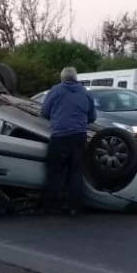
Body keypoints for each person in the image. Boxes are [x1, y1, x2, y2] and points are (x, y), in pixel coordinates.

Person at [41, 67, 96, 216]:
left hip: (59, 136)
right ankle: (74, 206)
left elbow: (44, 112)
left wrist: (57, 118)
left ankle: (53, 205)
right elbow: (92, 117)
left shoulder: (55, 91)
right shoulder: (85, 92)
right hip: (79, 136)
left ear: (62, 78)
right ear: (76, 78)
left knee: (54, 170)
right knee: (76, 172)